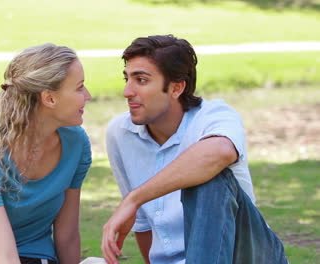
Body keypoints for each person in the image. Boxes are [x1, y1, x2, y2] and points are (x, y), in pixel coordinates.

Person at [101, 35, 288, 264]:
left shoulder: (215, 116)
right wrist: (135, 204)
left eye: (141, 80)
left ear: (177, 87)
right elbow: (143, 225)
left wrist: (135, 198)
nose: (127, 92)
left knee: (210, 177)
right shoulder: (120, 133)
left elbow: (220, 151)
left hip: (246, 257)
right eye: (127, 78)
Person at [0, 43, 92, 264]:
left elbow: (67, 235)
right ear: (49, 98)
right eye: (79, 87)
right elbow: (5, 256)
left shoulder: (76, 143)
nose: (87, 96)